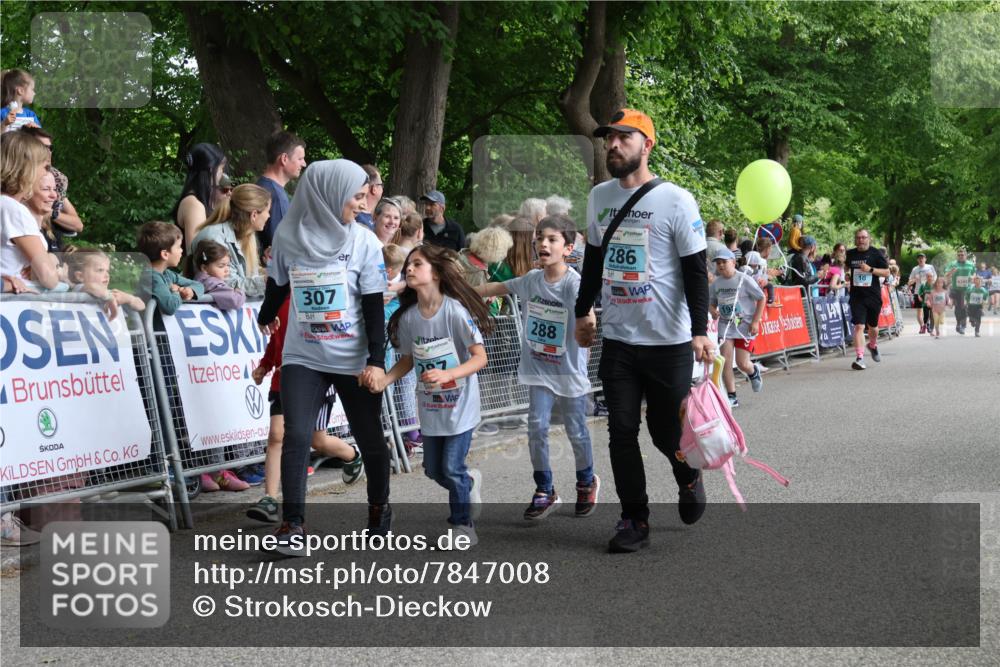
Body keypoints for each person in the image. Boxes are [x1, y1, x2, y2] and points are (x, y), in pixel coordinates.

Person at [573, 108, 713, 553]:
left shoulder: (676, 200)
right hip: (619, 339)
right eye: (608, 138)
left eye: (624, 138)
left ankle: (688, 475)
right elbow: (593, 261)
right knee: (621, 430)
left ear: (646, 145)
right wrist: (582, 312)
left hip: (669, 342)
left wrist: (698, 330)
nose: (613, 145)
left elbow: (695, 272)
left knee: (666, 435)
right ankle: (635, 518)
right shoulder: (599, 197)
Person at [256, 159, 391, 556]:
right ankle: (293, 525)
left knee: (369, 437)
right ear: (328, 195)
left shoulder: (363, 241)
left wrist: (376, 360)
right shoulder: (287, 235)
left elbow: (372, 308)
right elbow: (278, 286)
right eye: (356, 195)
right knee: (295, 433)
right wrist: (265, 317)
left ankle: (379, 511)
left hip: (353, 357)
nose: (363, 202)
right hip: (304, 354)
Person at [475, 215, 600, 520]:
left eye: (552, 239)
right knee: (537, 429)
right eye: (540, 238)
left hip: (568, 371)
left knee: (576, 431)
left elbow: (589, 317)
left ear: (568, 248)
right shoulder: (531, 280)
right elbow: (498, 287)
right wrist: (458, 289)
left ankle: (586, 481)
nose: (543, 243)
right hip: (538, 368)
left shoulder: (574, 284)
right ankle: (545, 489)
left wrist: (587, 330)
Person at [369, 245, 491, 546]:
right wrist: (386, 379)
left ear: (435, 273)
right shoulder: (410, 318)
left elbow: (480, 358)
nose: (409, 269)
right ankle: (469, 482)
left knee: (451, 467)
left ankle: (463, 528)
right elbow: (409, 358)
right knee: (434, 470)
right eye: (407, 265)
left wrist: (449, 374)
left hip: (460, 406)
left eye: (417, 264)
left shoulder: (455, 311)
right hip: (431, 405)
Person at [247, 293, 365, 522]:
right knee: (276, 436)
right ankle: (270, 499)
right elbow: (277, 339)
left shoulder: (313, 294)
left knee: (316, 441)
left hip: (316, 381)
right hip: (283, 381)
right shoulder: (277, 300)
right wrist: (265, 365)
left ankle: (351, 455)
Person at [1, 131, 60, 293]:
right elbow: (49, 278)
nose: (45, 173)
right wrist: (54, 265)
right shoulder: (14, 210)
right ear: (27, 168)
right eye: (44, 167)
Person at [189, 183, 270, 296]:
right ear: (254, 215)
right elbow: (224, 285)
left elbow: (249, 276)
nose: (269, 216)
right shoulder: (214, 237)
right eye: (267, 211)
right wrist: (267, 281)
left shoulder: (246, 236)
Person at [710, 248, 765, 408]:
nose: (720, 265)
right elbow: (712, 302)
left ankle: (753, 371)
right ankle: (732, 396)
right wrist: (712, 310)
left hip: (744, 327)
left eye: (724, 262)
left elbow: (761, 298)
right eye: (718, 263)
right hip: (725, 327)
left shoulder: (744, 280)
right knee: (726, 362)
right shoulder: (716, 283)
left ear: (733, 262)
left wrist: (755, 321)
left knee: (742, 363)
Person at [20, 127, 84, 240]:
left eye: (50, 148)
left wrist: (52, 214)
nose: (48, 152)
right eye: (42, 147)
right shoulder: (14, 179)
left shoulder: (57, 178)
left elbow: (78, 225)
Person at [135, 221, 205, 316]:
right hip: (153, 330)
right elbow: (170, 307)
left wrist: (190, 291)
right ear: (165, 254)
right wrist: (176, 292)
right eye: (178, 247)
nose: (182, 250)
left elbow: (199, 285)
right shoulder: (152, 277)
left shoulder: (167, 274)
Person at [256, 130, 306, 259]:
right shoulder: (276, 196)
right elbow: (280, 247)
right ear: (284, 159)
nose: (304, 163)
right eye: (300, 159)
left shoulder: (260, 185)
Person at [845, 229, 890, 370]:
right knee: (859, 326)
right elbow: (847, 267)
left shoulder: (875, 253)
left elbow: (887, 272)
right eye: (858, 238)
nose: (861, 240)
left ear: (869, 239)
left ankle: (873, 345)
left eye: (864, 237)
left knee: (874, 328)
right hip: (857, 296)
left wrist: (870, 269)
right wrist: (847, 274)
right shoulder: (851, 254)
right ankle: (859, 358)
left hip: (873, 296)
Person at [172, 143, 227, 251]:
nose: (222, 173)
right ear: (211, 169)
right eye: (221, 168)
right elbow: (196, 252)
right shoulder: (194, 205)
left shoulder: (200, 201)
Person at [64, 248, 145, 312]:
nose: (107, 275)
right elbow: (91, 287)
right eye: (100, 270)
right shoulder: (79, 289)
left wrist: (129, 298)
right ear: (80, 276)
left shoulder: (107, 293)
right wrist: (109, 296)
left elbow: (141, 306)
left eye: (107, 271)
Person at [191, 240, 246, 310]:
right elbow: (234, 300)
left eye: (228, 265)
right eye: (221, 266)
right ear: (204, 268)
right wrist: (240, 292)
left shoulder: (200, 280)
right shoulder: (213, 284)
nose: (227, 270)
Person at [944, 248, 977, 335]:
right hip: (956, 289)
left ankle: (963, 325)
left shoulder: (970, 264)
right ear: (957, 256)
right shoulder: (952, 264)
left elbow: (974, 274)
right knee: (958, 309)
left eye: (962, 255)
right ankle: (959, 323)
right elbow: (946, 275)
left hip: (967, 289)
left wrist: (972, 277)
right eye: (959, 255)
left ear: (966, 256)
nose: (960, 256)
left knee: (964, 306)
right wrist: (951, 271)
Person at [907, 253, 937, 334]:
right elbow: (909, 282)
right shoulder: (915, 269)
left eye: (922, 258)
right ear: (917, 260)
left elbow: (935, 278)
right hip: (919, 292)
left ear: (925, 259)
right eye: (919, 258)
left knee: (930, 310)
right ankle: (922, 326)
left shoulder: (930, 267)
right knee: (919, 311)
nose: (921, 260)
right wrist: (914, 280)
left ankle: (928, 325)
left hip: (929, 292)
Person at [354, 164, 383, 232]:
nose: (382, 188)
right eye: (381, 185)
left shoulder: (357, 216)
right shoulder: (360, 221)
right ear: (374, 189)